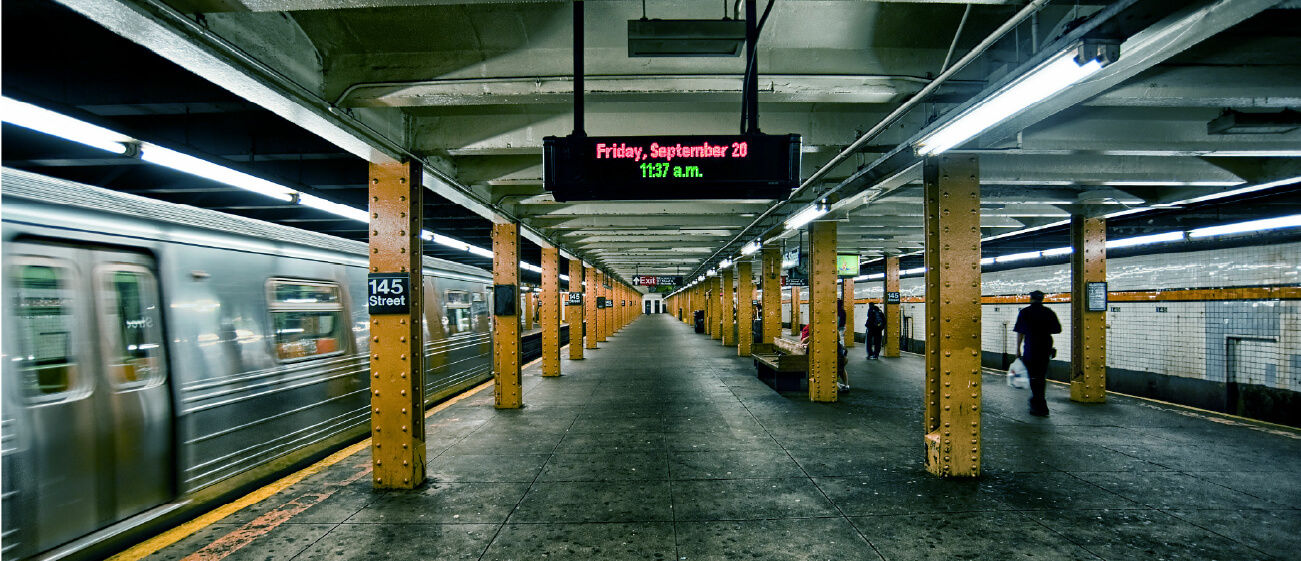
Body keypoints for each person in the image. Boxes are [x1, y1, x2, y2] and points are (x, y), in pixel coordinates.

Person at [1013, 290, 1062, 416]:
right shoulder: (1048, 312)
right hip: (1045, 348)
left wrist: (1018, 350)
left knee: (1033, 376)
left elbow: (1020, 332)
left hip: (1030, 348)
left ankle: (1038, 403)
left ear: (1031, 298)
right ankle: (1038, 401)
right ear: (1042, 299)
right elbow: (1057, 329)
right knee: (1041, 375)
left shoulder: (1025, 312)